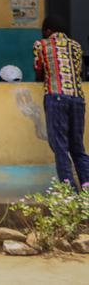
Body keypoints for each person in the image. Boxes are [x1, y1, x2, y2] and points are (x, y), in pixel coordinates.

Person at [33, 15, 88, 189]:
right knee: (78, 146)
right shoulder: (76, 46)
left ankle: (69, 190)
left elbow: (39, 71)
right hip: (78, 99)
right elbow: (77, 72)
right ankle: (86, 185)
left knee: (60, 146)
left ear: (48, 31)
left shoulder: (41, 45)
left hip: (55, 96)